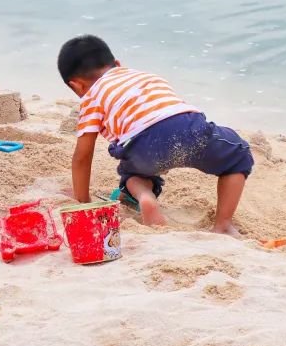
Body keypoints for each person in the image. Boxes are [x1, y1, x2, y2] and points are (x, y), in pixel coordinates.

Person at [57, 35, 251, 237]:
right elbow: (170, 110)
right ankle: (223, 225)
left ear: (77, 85)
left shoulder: (91, 97)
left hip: (142, 149)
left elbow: (82, 155)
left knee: (132, 175)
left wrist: (82, 200)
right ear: (117, 64)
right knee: (238, 155)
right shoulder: (146, 76)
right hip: (189, 129)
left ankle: (144, 195)